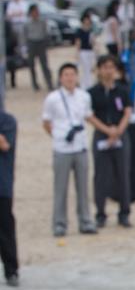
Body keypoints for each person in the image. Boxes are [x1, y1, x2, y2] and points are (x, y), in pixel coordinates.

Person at [41, 63, 95, 237]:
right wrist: (58, 135)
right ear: (60, 77)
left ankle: (85, 220)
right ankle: (59, 223)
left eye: (72, 74)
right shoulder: (52, 98)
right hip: (62, 148)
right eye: (66, 75)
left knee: (83, 187)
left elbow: (87, 116)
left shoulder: (84, 96)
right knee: (60, 188)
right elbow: (46, 122)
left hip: (80, 146)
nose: (70, 78)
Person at [86, 56, 133, 230]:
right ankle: (100, 213)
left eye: (111, 67)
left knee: (123, 175)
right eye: (105, 67)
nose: (109, 71)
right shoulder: (92, 92)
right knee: (101, 176)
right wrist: (107, 131)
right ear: (99, 69)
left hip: (121, 135)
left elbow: (128, 112)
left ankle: (124, 212)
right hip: (101, 135)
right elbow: (89, 115)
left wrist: (118, 131)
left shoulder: (122, 90)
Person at [0, 107, 17, 286]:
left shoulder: (7, 120)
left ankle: (11, 271)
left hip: (2, 184)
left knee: (5, 230)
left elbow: (4, 144)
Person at [23, 4, 54, 90]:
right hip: (31, 43)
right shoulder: (27, 23)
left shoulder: (42, 22)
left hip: (41, 43)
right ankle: (34, 84)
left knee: (44, 64)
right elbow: (24, 35)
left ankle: (49, 83)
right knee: (31, 65)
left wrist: (46, 43)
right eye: (34, 11)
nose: (36, 13)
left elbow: (46, 33)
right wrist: (25, 46)